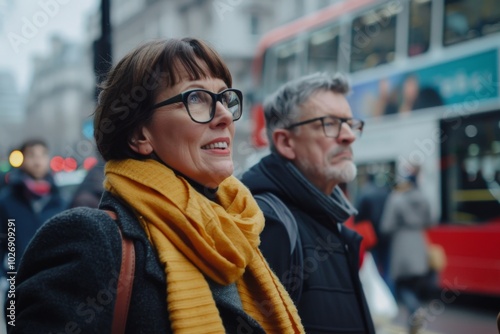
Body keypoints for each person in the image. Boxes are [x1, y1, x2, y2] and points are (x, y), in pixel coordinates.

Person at [10, 38, 304, 333]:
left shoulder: (240, 233)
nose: (225, 115)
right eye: (197, 98)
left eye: (225, 98)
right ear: (140, 135)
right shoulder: (91, 240)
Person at [241, 72, 376, 334]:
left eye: (349, 123)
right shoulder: (268, 222)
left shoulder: (327, 217)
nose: (348, 136)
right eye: (329, 124)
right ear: (285, 142)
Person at [380, 165, 434, 334]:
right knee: (414, 285)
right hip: (419, 244)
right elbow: (431, 220)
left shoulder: (396, 199)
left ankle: (415, 310)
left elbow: (385, 226)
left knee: (401, 286)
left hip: (402, 247)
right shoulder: (423, 198)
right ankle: (413, 324)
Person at [0, 139, 66, 276]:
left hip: (53, 282)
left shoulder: (60, 201)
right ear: (23, 159)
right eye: (32, 155)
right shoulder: (7, 201)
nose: (38, 161)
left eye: (42, 155)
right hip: (18, 283)